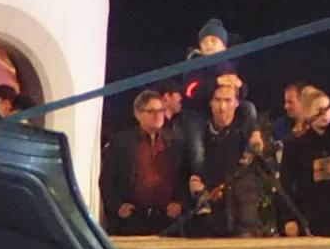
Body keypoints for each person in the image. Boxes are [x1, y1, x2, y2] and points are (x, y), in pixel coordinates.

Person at [180, 73, 276, 233]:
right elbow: (184, 172)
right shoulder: (197, 136)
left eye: (227, 100)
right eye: (218, 100)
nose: (222, 107)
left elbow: (267, 166)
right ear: (210, 102)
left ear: (237, 103)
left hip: (244, 217)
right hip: (209, 223)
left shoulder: (247, 131)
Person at [273, 83, 330, 237]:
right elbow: (285, 184)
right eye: (319, 110)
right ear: (307, 113)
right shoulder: (295, 144)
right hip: (308, 215)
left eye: (327, 109)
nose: (324, 115)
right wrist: (288, 219)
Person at [108, 83, 191, 235]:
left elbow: (184, 176)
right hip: (133, 219)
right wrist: (118, 207)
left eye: (160, 110)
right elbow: (107, 180)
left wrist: (180, 203)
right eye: (151, 111)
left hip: (167, 219)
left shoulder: (175, 142)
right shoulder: (122, 143)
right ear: (137, 114)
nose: (157, 115)